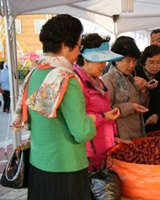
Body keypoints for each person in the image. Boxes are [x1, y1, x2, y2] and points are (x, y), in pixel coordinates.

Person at [11, 14, 97, 200]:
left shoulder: (33, 74)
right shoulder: (65, 78)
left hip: (39, 163)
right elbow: (82, 132)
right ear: (66, 46)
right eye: (78, 46)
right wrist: (93, 119)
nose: (79, 53)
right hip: (66, 166)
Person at [74, 33, 132, 170]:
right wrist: (104, 116)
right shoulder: (76, 83)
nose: (104, 65)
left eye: (105, 61)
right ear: (86, 60)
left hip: (104, 150)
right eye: (100, 61)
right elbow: (78, 120)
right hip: (87, 156)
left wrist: (114, 138)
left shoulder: (97, 81)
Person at [101, 36, 149, 140]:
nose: (132, 65)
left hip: (136, 132)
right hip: (121, 136)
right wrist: (130, 107)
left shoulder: (131, 78)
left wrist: (144, 90)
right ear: (116, 60)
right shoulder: (108, 79)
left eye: (134, 61)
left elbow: (142, 104)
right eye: (128, 61)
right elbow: (105, 112)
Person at [135, 45, 160, 133]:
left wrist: (158, 115)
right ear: (144, 61)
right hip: (137, 125)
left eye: (159, 62)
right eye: (151, 62)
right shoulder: (135, 74)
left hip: (158, 126)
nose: (155, 66)